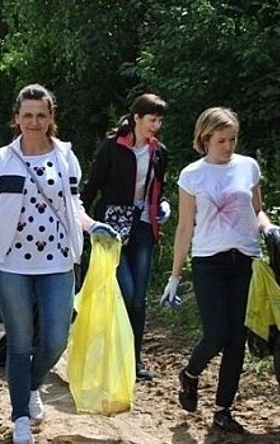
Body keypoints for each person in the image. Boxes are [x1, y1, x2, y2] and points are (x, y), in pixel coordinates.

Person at [0, 84, 118, 444]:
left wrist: (93, 226)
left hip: (58, 260)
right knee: (19, 342)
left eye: (41, 115)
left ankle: (32, 384)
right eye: (27, 115)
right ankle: (20, 415)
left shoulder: (65, 157)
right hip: (10, 264)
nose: (34, 122)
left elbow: (75, 206)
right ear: (16, 118)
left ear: (51, 117)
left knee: (54, 339)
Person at [159, 107, 280, 434]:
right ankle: (190, 374)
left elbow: (257, 210)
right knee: (216, 334)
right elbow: (185, 227)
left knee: (237, 338)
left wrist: (269, 227)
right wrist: (175, 275)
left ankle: (223, 410)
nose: (228, 146)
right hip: (208, 262)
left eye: (232, 140)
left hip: (245, 259)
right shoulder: (192, 175)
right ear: (205, 139)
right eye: (221, 141)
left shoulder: (248, 167)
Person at [80, 94, 170, 382]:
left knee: (139, 298)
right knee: (126, 291)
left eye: (159, 121)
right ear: (136, 118)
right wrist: (82, 224)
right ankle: (108, 351)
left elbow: (160, 189)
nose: (156, 126)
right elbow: (91, 187)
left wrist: (163, 205)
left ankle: (133, 360)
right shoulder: (111, 147)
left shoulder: (159, 152)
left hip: (143, 226)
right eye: (152, 119)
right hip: (112, 227)